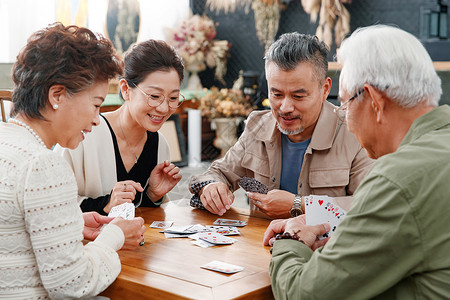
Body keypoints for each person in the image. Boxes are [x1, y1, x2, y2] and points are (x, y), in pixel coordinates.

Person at [264, 24, 450, 299]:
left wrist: (291, 239)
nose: (346, 122)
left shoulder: (397, 179)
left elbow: (305, 294)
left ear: (374, 100)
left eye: (346, 105)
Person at [0, 23, 146, 298]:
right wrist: (114, 236)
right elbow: (72, 285)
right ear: (57, 95)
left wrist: (71, 222)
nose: (96, 119)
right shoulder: (43, 164)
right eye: (96, 104)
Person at [189, 32, 373, 219]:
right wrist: (211, 187)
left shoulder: (354, 132)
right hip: (259, 244)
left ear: (325, 89)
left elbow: (370, 205)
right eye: (276, 94)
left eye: (298, 96)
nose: (285, 108)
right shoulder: (257, 125)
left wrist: (300, 205)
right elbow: (218, 172)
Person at [54, 39, 183, 215]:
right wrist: (106, 204)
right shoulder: (82, 135)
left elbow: (140, 215)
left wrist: (152, 195)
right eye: (154, 96)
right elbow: (50, 207)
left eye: (173, 98)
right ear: (125, 89)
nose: (163, 108)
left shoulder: (160, 144)